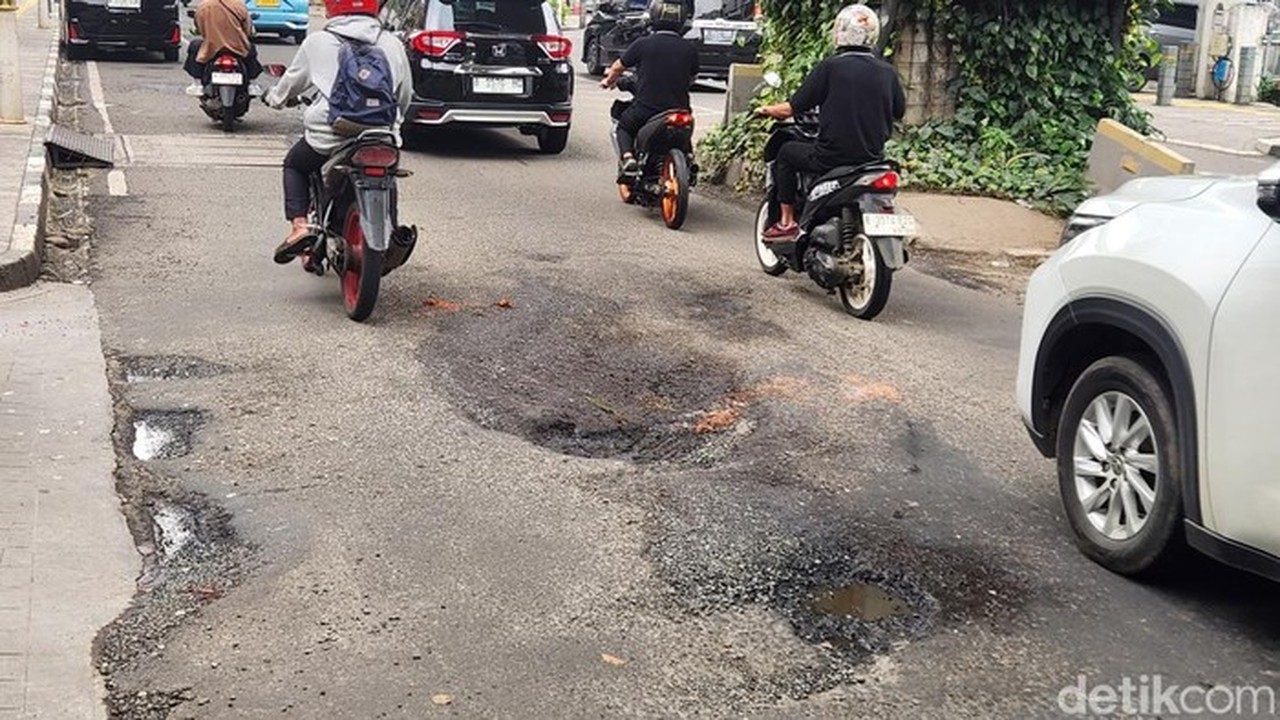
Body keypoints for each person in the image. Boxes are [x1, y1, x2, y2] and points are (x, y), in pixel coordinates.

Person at [262, 0, 412, 264]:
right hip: (380, 135)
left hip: (331, 134)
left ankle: (300, 227)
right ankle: (390, 233)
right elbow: (404, 96)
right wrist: (393, 125)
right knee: (387, 176)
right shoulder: (392, 43)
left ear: (331, 7)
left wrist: (273, 98)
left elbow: (289, 86)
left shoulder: (318, 42)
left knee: (294, 165)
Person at [755, 4, 905, 241]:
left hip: (831, 156)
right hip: (872, 159)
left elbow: (793, 108)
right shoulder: (887, 72)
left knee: (785, 153)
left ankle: (786, 222)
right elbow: (899, 111)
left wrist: (765, 109)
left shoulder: (830, 67)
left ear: (839, 31)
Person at [600, 0, 698, 178]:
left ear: (653, 17)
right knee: (685, 133)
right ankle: (689, 159)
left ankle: (628, 157)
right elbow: (692, 78)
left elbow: (617, 68)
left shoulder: (642, 44)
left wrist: (608, 81)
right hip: (680, 110)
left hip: (646, 111)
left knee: (624, 127)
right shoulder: (689, 49)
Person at [185, 0, 262, 81]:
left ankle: (197, 81)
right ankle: (252, 82)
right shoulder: (239, 6)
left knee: (194, 46)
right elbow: (248, 29)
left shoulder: (203, 6)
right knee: (251, 49)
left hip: (211, 48)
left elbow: (198, 27)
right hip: (237, 48)